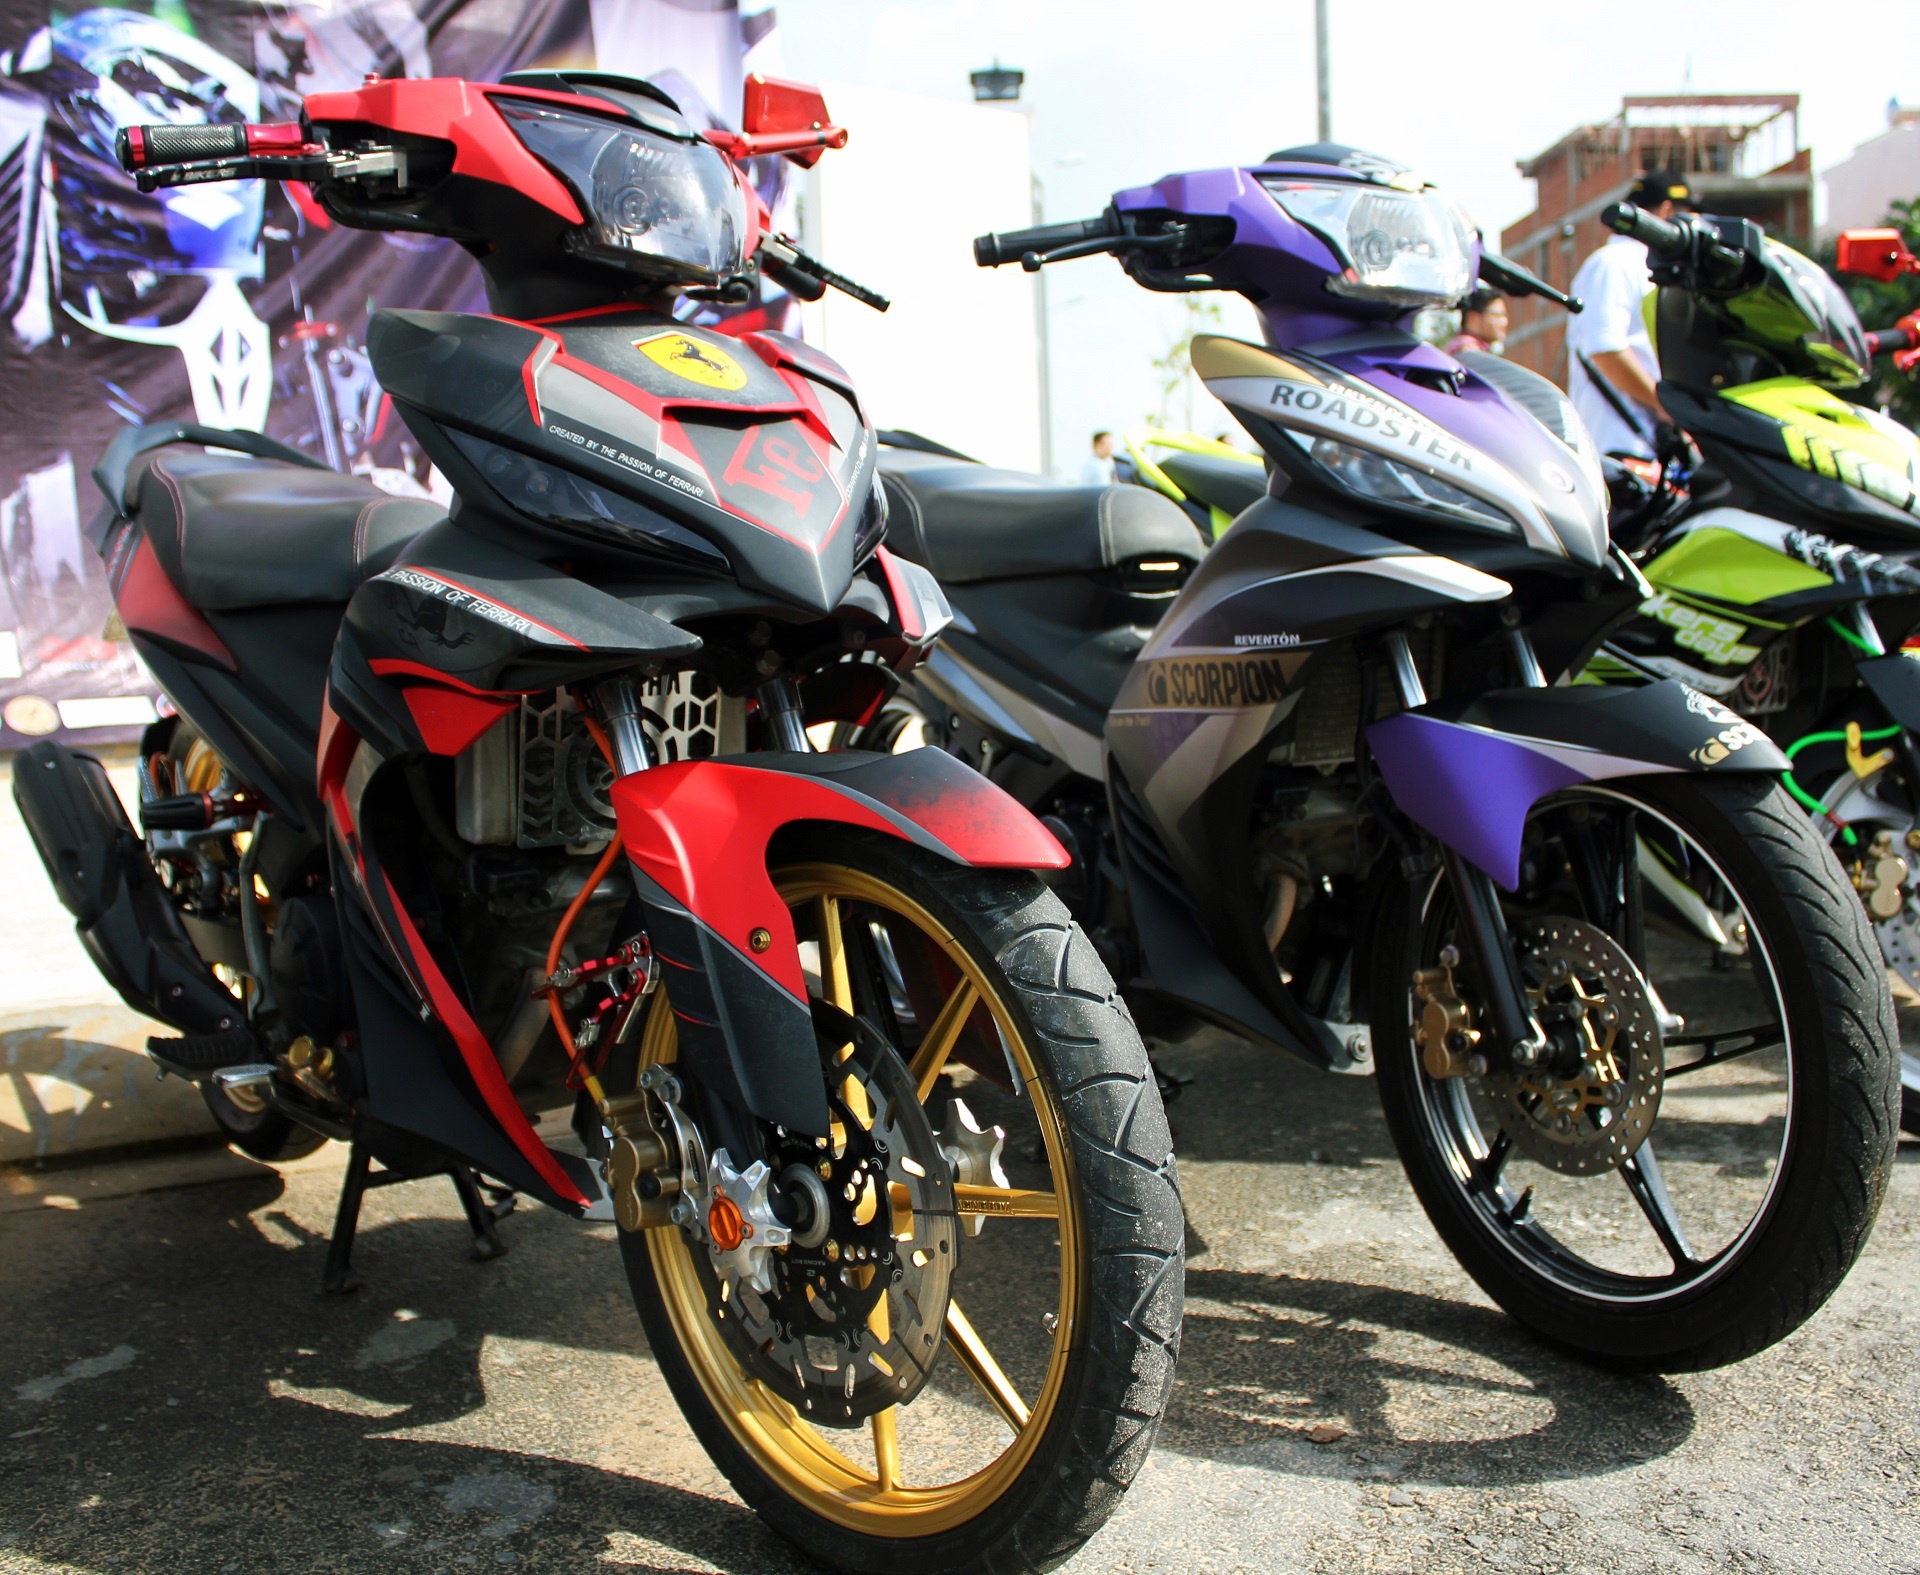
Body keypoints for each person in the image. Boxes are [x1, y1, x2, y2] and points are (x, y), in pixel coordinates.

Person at [1566, 169, 1691, 459]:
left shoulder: (1642, 264)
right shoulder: (1614, 263)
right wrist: (1665, 404)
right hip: (1618, 448)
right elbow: (1605, 349)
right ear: (1667, 211)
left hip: (1648, 450)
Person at [1445, 288, 1508, 356]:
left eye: (1504, 316)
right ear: (1473, 318)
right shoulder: (1468, 349)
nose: (1504, 322)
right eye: (1496, 315)